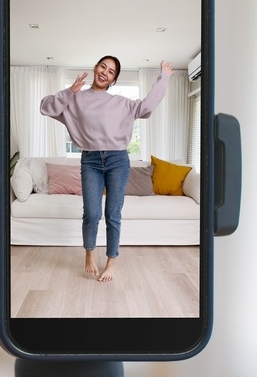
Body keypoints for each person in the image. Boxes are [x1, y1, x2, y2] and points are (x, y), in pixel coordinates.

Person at [40, 56, 172, 282]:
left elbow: (147, 106)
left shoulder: (122, 103)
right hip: (90, 160)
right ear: (95, 68)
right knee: (91, 214)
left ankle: (111, 261)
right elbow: (46, 107)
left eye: (111, 72)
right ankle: (89, 254)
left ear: (113, 79)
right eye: (103, 66)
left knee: (113, 214)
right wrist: (69, 91)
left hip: (118, 160)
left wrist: (164, 77)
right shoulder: (75, 99)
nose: (105, 72)